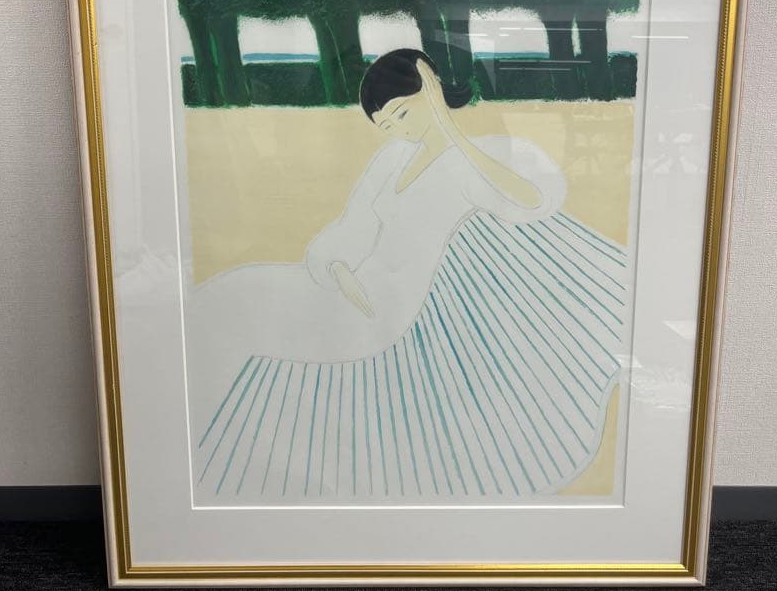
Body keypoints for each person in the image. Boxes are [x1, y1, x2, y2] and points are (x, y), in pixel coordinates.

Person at [189, 49, 627, 502]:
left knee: (247, 313)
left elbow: (532, 202)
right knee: (236, 292)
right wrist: (336, 266)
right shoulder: (393, 158)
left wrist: (449, 128)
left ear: (430, 88)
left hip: (401, 309)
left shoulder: (477, 158)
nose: (399, 129)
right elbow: (352, 227)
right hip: (354, 286)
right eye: (386, 124)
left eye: (401, 113)